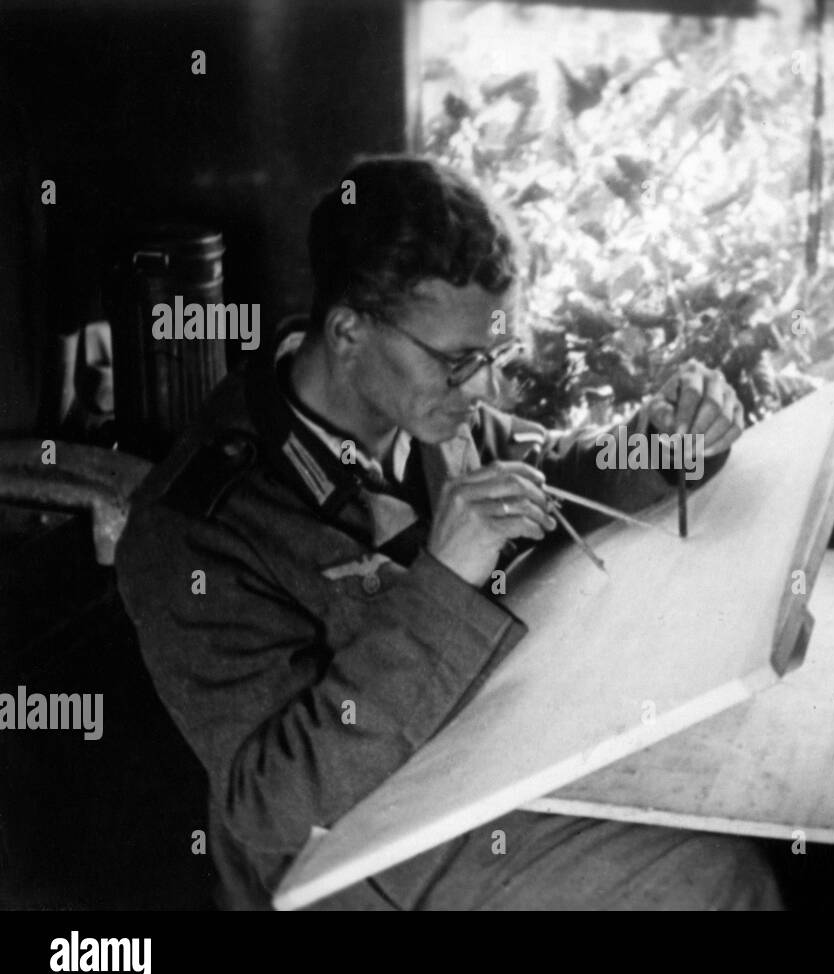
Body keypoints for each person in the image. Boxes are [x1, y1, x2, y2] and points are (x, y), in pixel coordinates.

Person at [115, 154, 782, 910]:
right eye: (462, 361)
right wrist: (444, 577)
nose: (486, 388)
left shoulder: (428, 413)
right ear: (348, 331)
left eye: (497, 355)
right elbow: (271, 800)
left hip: (473, 768)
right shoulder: (194, 530)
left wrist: (667, 443)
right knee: (713, 883)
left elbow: (552, 475)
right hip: (346, 855)